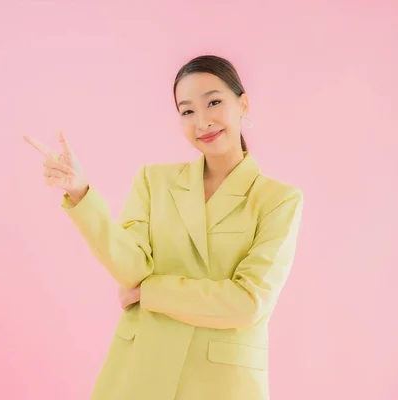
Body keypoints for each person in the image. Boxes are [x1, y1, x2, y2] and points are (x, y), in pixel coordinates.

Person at [24, 55, 304, 400]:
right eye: (187, 111)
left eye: (214, 102)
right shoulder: (154, 181)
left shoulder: (278, 200)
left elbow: (247, 302)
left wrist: (149, 293)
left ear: (243, 103)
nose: (202, 121)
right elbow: (131, 268)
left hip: (220, 384)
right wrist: (81, 193)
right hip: (141, 372)